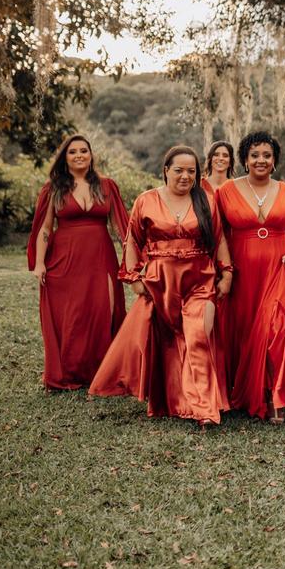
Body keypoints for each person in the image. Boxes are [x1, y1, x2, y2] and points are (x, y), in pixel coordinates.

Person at [89, 146, 232, 425]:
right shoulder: (146, 200)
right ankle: (174, 401)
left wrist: (226, 273)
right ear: (166, 170)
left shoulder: (205, 200)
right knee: (168, 343)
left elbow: (219, 238)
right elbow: (133, 241)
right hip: (160, 281)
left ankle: (204, 409)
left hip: (199, 279)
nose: (185, 176)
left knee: (198, 336)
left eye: (191, 171)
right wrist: (134, 279)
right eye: (179, 170)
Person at [27, 134, 129, 391]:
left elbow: (121, 227)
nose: (79, 155)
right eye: (73, 152)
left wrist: (132, 255)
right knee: (72, 316)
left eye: (84, 150)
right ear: (65, 158)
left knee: (104, 309)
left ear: (91, 155)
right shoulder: (53, 188)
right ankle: (71, 372)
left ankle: (103, 371)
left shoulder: (107, 186)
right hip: (65, 259)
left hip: (100, 256)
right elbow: (45, 229)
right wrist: (39, 263)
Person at [216, 131, 285, 422]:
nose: (261, 160)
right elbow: (218, 234)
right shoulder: (226, 191)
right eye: (255, 155)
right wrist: (224, 269)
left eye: (267, 155)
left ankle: (275, 396)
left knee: (276, 327)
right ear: (244, 159)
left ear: (275, 159)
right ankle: (243, 390)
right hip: (241, 272)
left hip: (278, 269)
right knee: (243, 330)